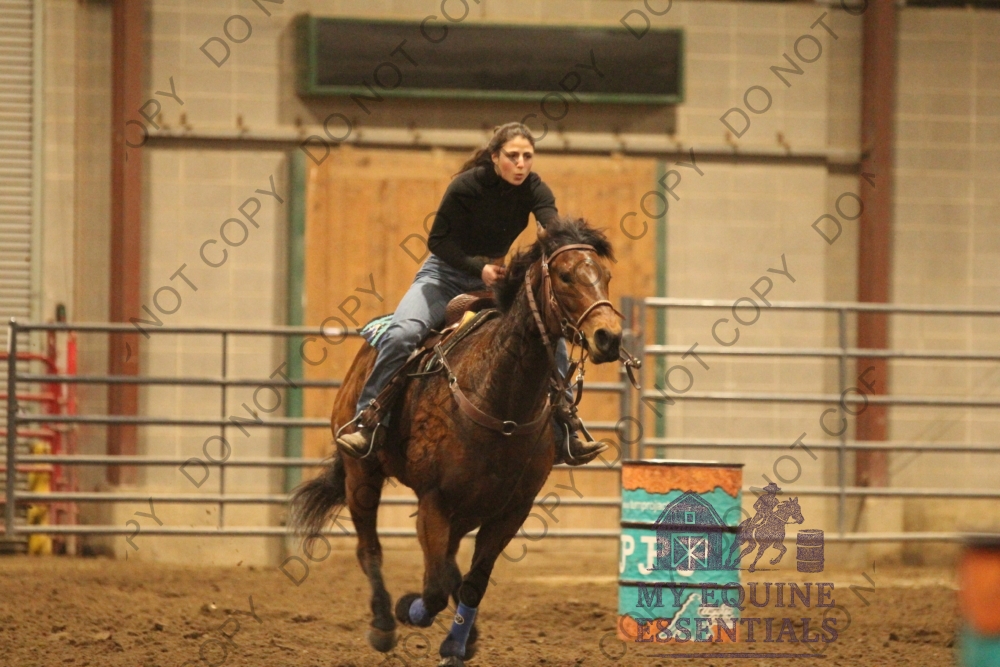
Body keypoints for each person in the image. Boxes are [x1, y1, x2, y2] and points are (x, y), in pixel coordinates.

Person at [336, 122, 604, 465]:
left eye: (527, 156)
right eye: (512, 156)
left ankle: (564, 432)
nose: (521, 164)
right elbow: (438, 242)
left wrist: (562, 242)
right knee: (403, 334)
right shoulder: (466, 186)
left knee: (551, 338)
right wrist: (480, 269)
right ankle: (367, 422)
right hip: (443, 276)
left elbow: (551, 228)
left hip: (495, 280)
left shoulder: (536, 188)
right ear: (494, 157)